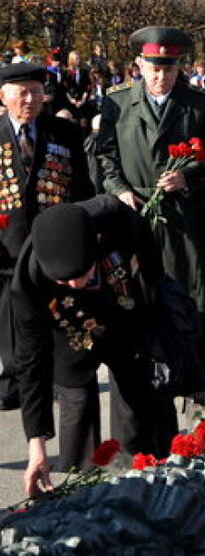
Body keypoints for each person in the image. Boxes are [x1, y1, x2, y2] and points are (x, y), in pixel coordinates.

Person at [15, 198, 177, 495]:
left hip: (121, 307)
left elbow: (150, 258)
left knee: (136, 403)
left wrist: (154, 292)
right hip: (70, 330)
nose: (75, 284)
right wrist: (36, 445)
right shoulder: (28, 282)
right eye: (66, 279)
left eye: (81, 273)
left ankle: (136, 482)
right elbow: (31, 362)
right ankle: (80, 488)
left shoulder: (112, 217)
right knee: (75, 406)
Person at [96, 26, 205, 393]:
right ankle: (144, 372)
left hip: (182, 217)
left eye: (168, 68)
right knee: (135, 294)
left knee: (187, 295)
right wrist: (119, 191)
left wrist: (189, 178)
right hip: (134, 212)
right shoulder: (117, 102)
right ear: (139, 64)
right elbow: (105, 153)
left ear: (178, 67)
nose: (161, 75)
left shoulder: (199, 104)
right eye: (154, 67)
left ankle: (191, 376)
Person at [0, 62, 95, 411]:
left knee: (56, 312)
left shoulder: (64, 133)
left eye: (36, 92)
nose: (30, 99)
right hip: (7, 245)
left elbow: (82, 189)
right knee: (10, 317)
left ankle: (57, 376)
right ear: (3, 97)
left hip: (53, 245)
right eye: (21, 93)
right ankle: (12, 380)